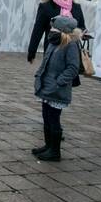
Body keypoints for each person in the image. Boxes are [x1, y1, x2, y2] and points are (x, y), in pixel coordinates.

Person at [31, 15, 82, 162]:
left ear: (63, 30)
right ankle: (48, 146)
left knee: (54, 119)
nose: (51, 30)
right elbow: (45, 62)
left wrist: (59, 82)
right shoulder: (54, 42)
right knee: (46, 117)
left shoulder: (70, 44)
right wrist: (39, 76)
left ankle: (55, 151)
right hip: (46, 86)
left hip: (57, 90)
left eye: (54, 28)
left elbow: (73, 68)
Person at [28, 0, 86, 64]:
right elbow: (37, 31)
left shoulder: (77, 7)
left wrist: (81, 33)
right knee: (50, 76)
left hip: (72, 50)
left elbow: (82, 27)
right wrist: (32, 52)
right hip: (52, 49)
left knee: (70, 75)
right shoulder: (45, 7)